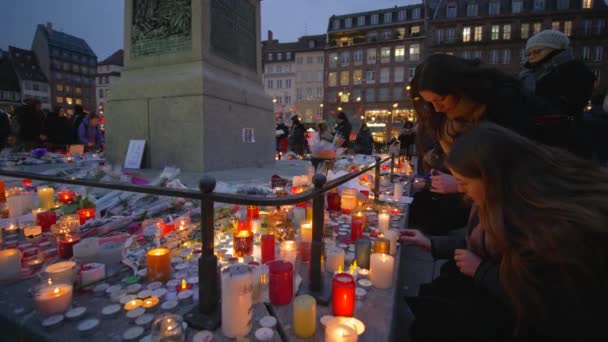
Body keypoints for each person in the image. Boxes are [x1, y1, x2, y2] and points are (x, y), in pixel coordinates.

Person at [402, 123, 608, 342]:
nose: (460, 190)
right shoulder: (502, 202)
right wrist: (431, 243)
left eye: (463, 182)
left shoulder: (546, 229)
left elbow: (546, 306)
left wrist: (482, 271)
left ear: (490, 176)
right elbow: (485, 243)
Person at [408, 54, 534, 234]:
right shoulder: (447, 120)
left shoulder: (501, 111)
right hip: (475, 209)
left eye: (440, 100)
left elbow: (511, 174)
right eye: (431, 103)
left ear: (458, 87)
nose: (437, 108)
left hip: (506, 212)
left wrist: (458, 185)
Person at [520, 29, 595, 155]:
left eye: (537, 51)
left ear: (555, 49)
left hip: (565, 138)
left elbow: (571, 104)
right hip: (534, 136)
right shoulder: (528, 74)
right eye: (528, 54)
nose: (531, 56)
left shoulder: (575, 69)